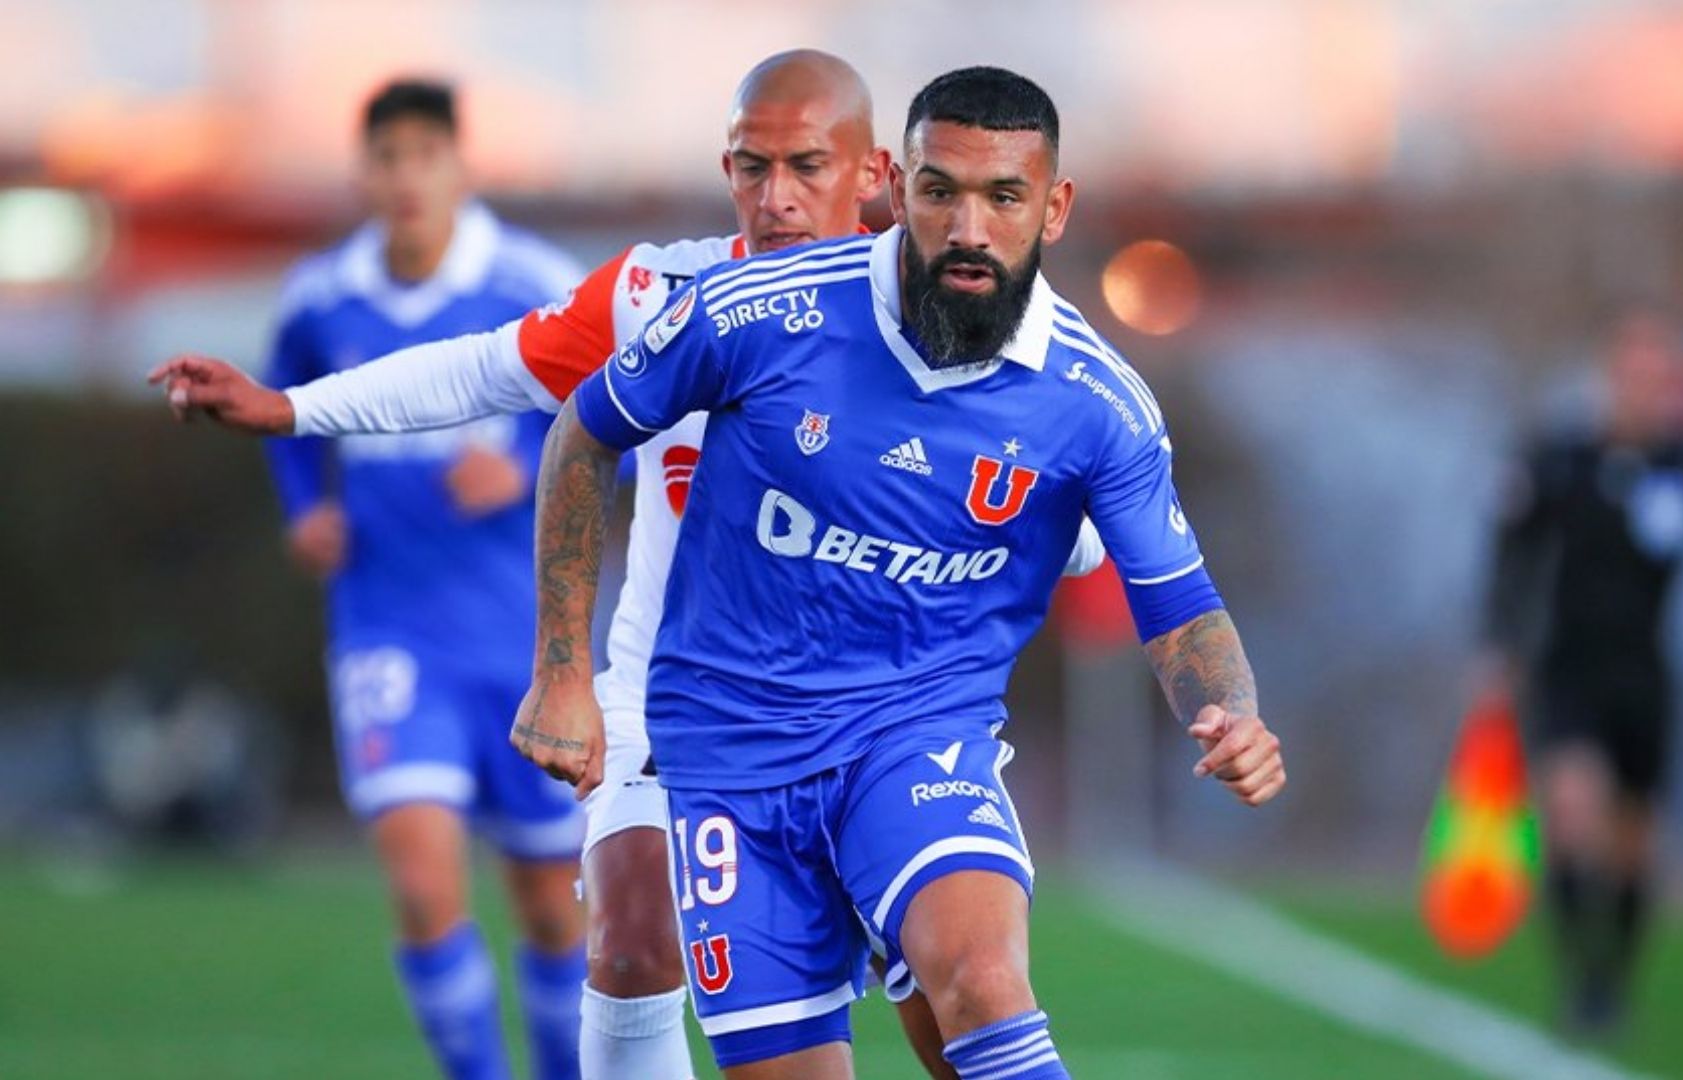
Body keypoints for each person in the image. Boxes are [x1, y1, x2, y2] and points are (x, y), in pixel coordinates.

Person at [152, 51, 1101, 1079]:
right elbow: (489, 368)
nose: (775, 198)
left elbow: (1070, 509)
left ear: (873, 172)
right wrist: (294, 410)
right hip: (676, 704)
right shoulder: (664, 290)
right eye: (752, 166)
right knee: (632, 942)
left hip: (882, 718)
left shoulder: (947, 316)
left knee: (958, 1023)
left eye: (807, 167)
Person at [513, 66, 1285, 1079]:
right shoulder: (757, 313)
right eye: (941, 190)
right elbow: (583, 433)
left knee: (978, 981)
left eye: (1003, 196)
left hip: (915, 741)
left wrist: (1230, 708)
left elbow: (1179, 606)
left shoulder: (1097, 403)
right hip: (730, 757)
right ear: (900, 188)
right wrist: (562, 671)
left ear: (1053, 209)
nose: (968, 225)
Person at [257, 79, 588, 1080]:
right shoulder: (322, 297)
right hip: (388, 628)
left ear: (460, 165)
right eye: (386, 158)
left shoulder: (531, 277)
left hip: (527, 641)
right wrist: (302, 506)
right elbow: (281, 402)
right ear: (364, 172)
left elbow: (607, 397)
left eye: (423, 156)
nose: (405, 179)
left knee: (549, 904)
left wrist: (530, 458)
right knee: (422, 882)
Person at [1482, 306, 1683, 1036]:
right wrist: (1498, 644)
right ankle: (1581, 975)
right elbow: (1511, 550)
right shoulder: (1562, 457)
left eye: (1659, 374)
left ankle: (1616, 976)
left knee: (1636, 837)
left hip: (1646, 676)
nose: (1646, 387)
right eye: (1632, 372)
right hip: (1570, 668)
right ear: (1609, 376)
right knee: (1574, 811)